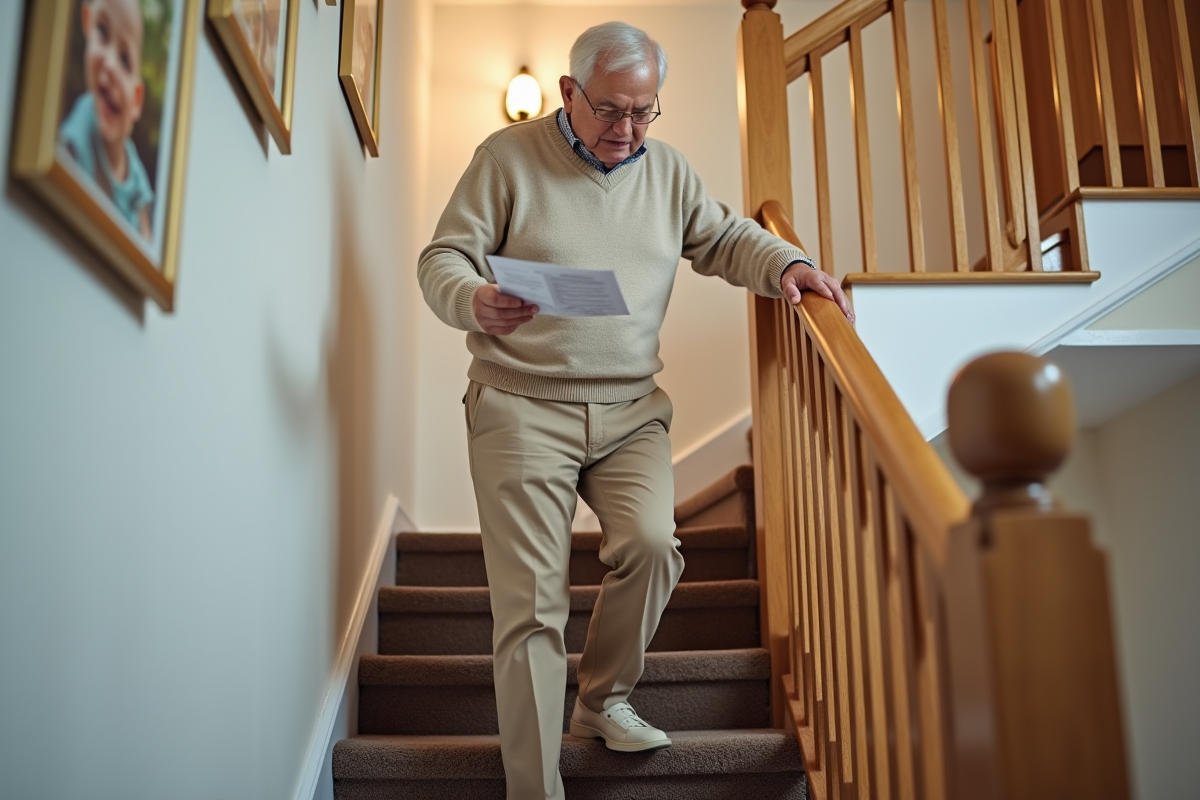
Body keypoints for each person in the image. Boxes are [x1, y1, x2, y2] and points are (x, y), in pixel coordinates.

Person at [417, 21, 852, 800]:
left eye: (645, 112)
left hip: (630, 411)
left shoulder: (667, 170)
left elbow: (723, 238)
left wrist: (790, 262)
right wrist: (475, 299)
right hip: (520, 405)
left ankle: (601, 700)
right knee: (532, 609)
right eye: (612, 111)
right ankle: (533, 786)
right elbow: (442, 257)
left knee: (654, 546)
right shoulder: (506, 159)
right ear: (568, 95)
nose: (628, 131)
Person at [59, 0, 154, 241]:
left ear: (136, 101)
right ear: (87, 23)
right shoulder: (79, 132)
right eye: (102, 31)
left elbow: (146, 236)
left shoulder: (135, 173)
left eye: (124, 59)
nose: (110, 65)